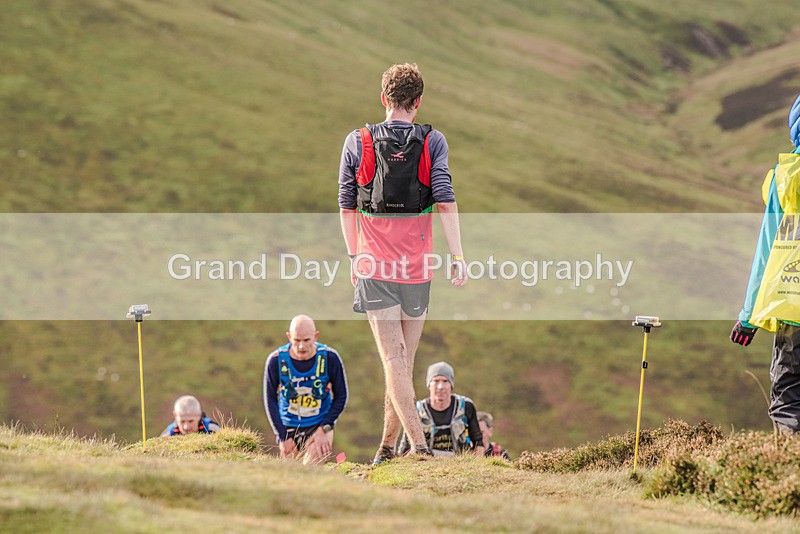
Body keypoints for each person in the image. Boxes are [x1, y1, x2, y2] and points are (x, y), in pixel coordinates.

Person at [338, 63, 468, 464]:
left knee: (395, 362)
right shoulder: (434, 142)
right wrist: (458, 256)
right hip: (417, 268)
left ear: (384, 98)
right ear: (419, 102)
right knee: (402, 361)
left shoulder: (357, 142)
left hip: (374, 267)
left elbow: (346, 206)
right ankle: (391, 448)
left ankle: (416, 448)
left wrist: (356, 256)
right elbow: (444, 199)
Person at [731, 93, 800, 434]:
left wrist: (748, 316)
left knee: (789, 397)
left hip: (792, 303)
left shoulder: (786, 179)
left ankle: (787, 479)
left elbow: (767, 249)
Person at [263, 315, 348, 464]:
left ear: (316, 336)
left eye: (306, 340)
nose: (301, 346)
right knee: (293, 476)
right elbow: (270, 399)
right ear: (289, 337)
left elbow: (341, 396)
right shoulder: (276, 360)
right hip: (288, 427)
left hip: (319, 425)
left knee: (310, 468)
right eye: (296, 340)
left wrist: (324, 428)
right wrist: (283, 436)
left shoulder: (330, 357)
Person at [398, 362, 484, 457]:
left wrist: (475, 467)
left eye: (445, 381)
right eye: (436, 381)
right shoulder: (417, 410)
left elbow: (478, 443)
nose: (440, 387)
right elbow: (405, 448)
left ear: (451, 385)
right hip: (426, 466)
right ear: (429, 384)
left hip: (461, 464)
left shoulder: (465, 406)